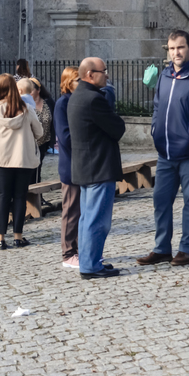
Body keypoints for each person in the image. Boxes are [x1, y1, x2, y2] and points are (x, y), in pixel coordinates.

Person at [137, 30, 189, 268]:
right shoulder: (165, 75)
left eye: (180, 48)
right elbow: (156, 106)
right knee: (161, 201)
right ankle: (162, 248)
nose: (176, 53)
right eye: (172, 48)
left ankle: (187, 248)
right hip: (165, 154)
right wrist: (155, 129)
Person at [69, 57, 126, 280]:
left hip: (87, 167)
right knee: (97, 221)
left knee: (87, 219)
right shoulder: (94, 99)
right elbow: (118, 128)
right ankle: (91, 266)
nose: (108, 75)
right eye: (104, 71)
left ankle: (89, 261)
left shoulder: (77, 96)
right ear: (90, 75)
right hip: (98, 167)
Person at [0, 74, 43, 249]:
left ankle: (0, 238)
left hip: (2, 159)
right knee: (20, 197)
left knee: (3, 197)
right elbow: (39, 132)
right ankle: (18, 236)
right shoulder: (25, 108)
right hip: (23, 159)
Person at [53, 66, 81, 268]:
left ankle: (80, 250)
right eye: (77, 80)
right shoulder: (62, 104)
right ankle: (68, 252)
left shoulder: (79, 101)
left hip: (83, 164)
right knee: (70, 211)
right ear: (68, 82)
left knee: (81, 211)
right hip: (70, 165)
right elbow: (65, 137)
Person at [28, 78, 54, 184]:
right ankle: (30, 196)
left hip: (44, 142)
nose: (28, 93)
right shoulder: (26, 104)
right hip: (30, 143)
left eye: (31, 90)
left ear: (38, 90)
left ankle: (38, 197)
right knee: (30, 171)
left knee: (38, 169)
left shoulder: (48, 102)